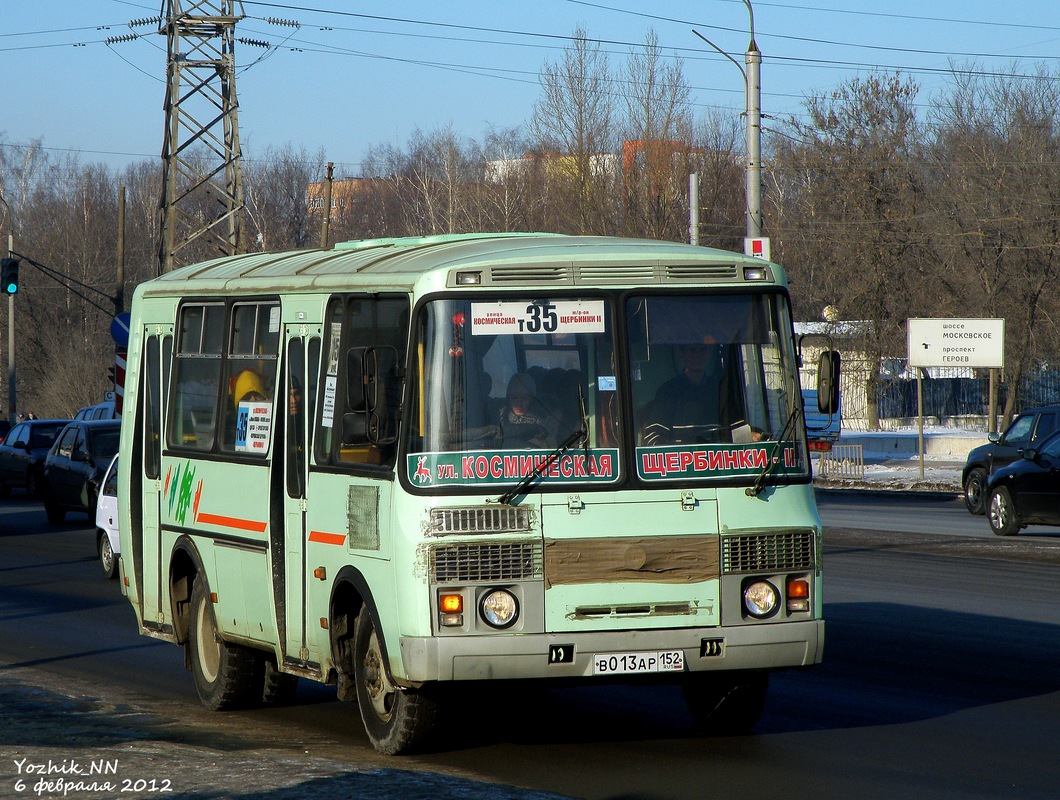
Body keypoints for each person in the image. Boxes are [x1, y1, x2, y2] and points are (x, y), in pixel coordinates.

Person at [641, 343, 722, 445]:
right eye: (692, 349)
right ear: (682, 353)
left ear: (709, 353)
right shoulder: (668, 392)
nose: (698, 354)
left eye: (703, 349)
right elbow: (653, 437)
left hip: (718, 459)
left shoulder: (719, 390)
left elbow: (738, 433)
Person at [499, 373, 554, 449]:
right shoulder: (498, 420)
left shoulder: (546, 423)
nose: (519, 403)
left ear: (532, 400)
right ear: (508, 399)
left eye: (525, 398)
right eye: (514, 398)